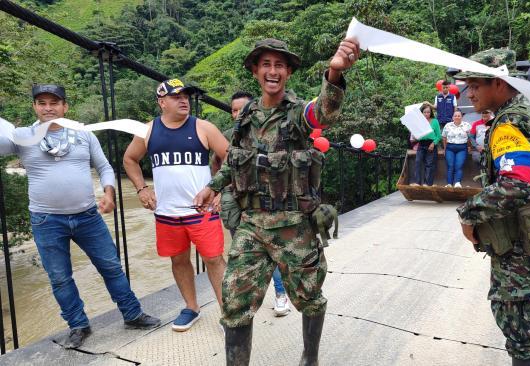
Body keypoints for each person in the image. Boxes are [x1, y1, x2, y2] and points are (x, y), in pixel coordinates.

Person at [194, 37, 359, 365]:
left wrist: (335, 74)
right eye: (266, 64)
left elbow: (323, 113)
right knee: (235, 302)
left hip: (294, 225)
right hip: (252, 226)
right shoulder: (244, 118)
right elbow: (234, 159)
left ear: (288, 72)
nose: (273, 71)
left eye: (279, 65)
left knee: (310, 296)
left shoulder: (298, 113)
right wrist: (213, 186)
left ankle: (309, 359)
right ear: (255, 70)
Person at [0, 84, 160, 349]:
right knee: (60, 278)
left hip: (88, 216)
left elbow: (104, 167)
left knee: (111, 266)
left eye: (54, 103)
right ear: (35, 107)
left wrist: (109, 193)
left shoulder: (83, 134)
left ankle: (132, 314)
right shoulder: (22, 137)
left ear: (65, 107)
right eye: (41, 103)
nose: (48, 108)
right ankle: (78, 325)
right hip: (46, 220)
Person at [455, 49, 530, 365]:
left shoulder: (510, 122)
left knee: (524, 333)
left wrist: (468, 213)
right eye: (468, 86)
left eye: (476, 85)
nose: (469, 93)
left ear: (500, 83)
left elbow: (514, 185)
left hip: (519, 249)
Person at [123, 79, 229, 332]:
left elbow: (231, 157)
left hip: (201, 211)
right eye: (176, 96)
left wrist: (220, 189)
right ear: (162, 102)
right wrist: (142, 188)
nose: (184, 100)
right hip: (167, 214)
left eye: (186, 96)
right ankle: (192, 308)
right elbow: (129, 159)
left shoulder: (203, 127)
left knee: (214, 259)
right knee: (179, 260)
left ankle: (229, 314)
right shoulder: (148, 131)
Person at [212, 90, 292, 317]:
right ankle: (244, 299)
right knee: (241, 251)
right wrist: (216, 191)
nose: (238, 114)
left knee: (270, 249)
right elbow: (218, 165)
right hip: (233, 200)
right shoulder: (227, 135)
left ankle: (280, 294)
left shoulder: (271, 132)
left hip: (261, 201)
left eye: (243, 109)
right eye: (234, 110)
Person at [411, 102, 441, 186]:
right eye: (425, 112)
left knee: (429, 164)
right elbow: (417, 135)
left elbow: (439, 136)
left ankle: (427, 183)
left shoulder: (435, 121)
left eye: (428, 112)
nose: (426, 114)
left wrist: (433, 144)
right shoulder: (419, 122)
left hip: (431, 144)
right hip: (421, 144)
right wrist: (415, 137)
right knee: (417, 162)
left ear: (431, 112)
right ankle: (417, 182)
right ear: (422, 113)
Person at [441, 110, 470, 188]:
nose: (457, 117)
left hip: (462, 148)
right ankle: (449, 184)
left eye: (458, 116)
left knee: (458, 166)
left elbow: (470, 138)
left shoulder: (466, 125)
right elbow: (444, 137)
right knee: (450, 166)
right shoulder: (448, 125)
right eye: (455, 116)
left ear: (461, 117)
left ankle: (457, 183)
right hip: (450, 148)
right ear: (452, 117)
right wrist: (445, 148)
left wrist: (469, 146)